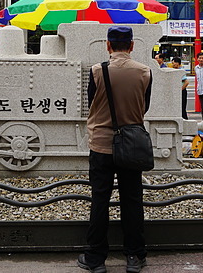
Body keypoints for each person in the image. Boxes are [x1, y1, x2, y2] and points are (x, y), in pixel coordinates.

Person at [78, 26, 151, 273]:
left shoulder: (98, 71)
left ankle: (95, 259)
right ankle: (134, 256)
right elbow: (145, 107)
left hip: (101, 145)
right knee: (132, 201)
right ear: (131, 46)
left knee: (100, 199)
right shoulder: (144, 72)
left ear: (108, 45)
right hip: (131, 147)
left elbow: (92, 102)